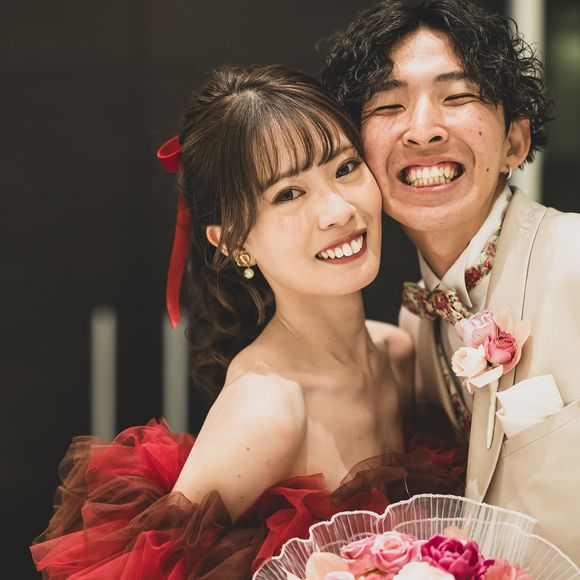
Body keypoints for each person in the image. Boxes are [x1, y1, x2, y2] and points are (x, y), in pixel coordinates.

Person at [30, 64, 464, 579]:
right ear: (232, 243)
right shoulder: (268, 407)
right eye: (288, 194)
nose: (337, 210)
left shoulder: (397, 352)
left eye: (346, 167)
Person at [323, 0, 580, 563]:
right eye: (388, 105)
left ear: (515, 143)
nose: (421, 130)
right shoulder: (418, 319)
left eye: (457, 96)